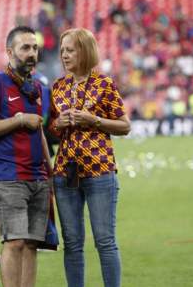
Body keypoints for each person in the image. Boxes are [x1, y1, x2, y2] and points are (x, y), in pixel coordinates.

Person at [50, 28, 130, 287]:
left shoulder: (104, 84)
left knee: (105, 241)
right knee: (72, 243)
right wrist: (58, 123)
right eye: (62, 50)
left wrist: (94, 120)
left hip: (99, 171)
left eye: (70, 50)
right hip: (65, 172)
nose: (64, 55)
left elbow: (125, 126)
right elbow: (51, 129)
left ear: (84, 51)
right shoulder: (58, 87)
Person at [0, 26, 52, 287]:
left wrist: (50, 170)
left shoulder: (37, 88)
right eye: (25, 48)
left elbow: (39, 131)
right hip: (9, 176)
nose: (32, 53)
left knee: (31, 244)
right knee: (14, 241)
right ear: (10, 52)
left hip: (38, 176)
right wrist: (18, 120)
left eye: (35, 48)